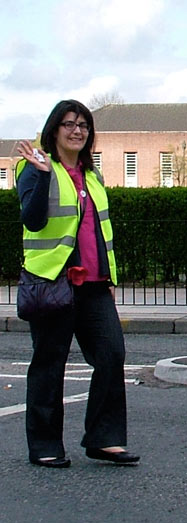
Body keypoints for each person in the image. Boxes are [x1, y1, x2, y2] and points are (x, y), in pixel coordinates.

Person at [14, 100, 138, 468]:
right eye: (68, 124)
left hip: (95, 284)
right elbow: (33, 221)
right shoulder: (34, 167)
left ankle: (104, 439)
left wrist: (110, 277)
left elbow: (98, 233)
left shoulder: (92, 176)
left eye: (83, 124)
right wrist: (38, 174)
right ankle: (45, 444)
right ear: (54, 131)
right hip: (53, 282)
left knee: (112, 355)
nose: (77, 130)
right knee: (49, 364)